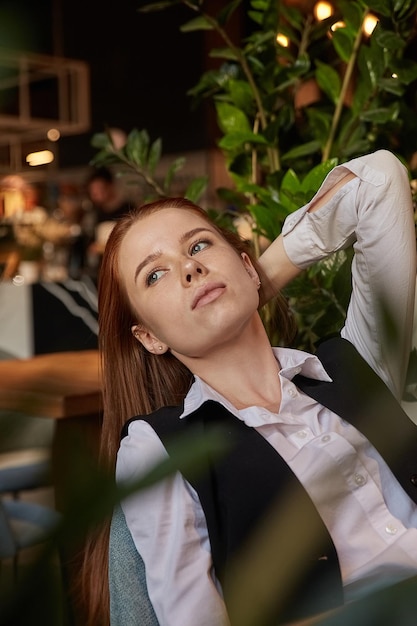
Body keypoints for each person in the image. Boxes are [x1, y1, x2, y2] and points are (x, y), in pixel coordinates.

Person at [82, 150, 417, 625]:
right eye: (155, 275)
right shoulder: (158, 448)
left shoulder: (357, 364)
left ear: (245, 263)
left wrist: (256, 281)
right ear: (149, 337)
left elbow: (379, 179)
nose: (188, 269)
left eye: (198, 247)